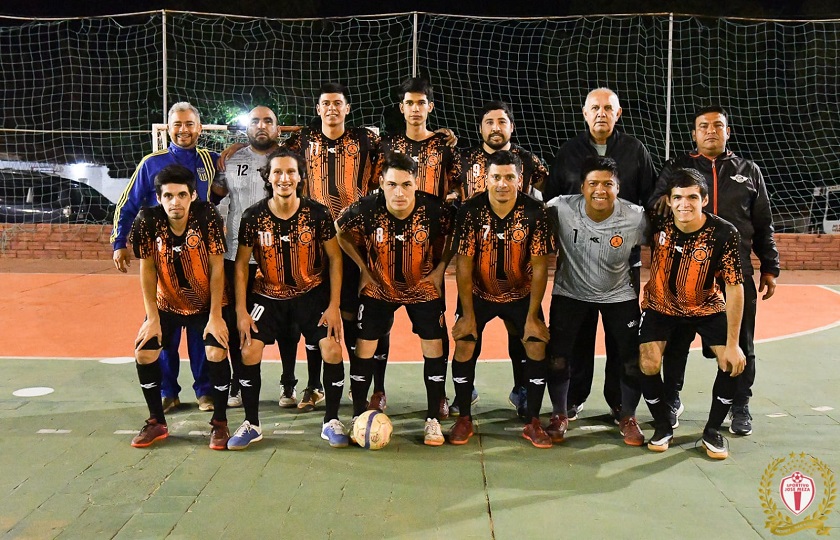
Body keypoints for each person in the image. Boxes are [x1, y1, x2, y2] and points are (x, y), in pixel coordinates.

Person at [652, 106, 779, 436]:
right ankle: (672, 399)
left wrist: (770, 266)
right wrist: (669, 203)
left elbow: (763, 222)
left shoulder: (748, 171)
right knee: (677, 341)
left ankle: (739, 404)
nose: (711, 130)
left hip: (735, 274)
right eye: (703, 126)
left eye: (717, 125)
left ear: (728, 132)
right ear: (693, 134)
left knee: (740, 341)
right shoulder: (677, 168)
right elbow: (655, 206)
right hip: (686, 273)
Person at [542, 88, 657, 422]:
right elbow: (551, 203)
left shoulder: (635, 151)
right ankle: (574, 398)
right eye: (596, 108)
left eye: (609, 108)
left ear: (618, 114)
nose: (602, 113)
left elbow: (651, 202)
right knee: (576, 337)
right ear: (585, 112)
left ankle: (618, 401)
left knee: (620, 341)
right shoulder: (568, 152)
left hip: (621, 263)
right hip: (576, 264)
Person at [336, 152, 454, 446]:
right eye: (392, 185)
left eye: (406, 184)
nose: (399, 192)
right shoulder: (367, 208)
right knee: (363, 348)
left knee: (435, 348)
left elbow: (458, 233)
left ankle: (433, 419)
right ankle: (360, 415)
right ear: (381, 183)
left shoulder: (435, 209)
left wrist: (441, 268)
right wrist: (363, 268)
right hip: (379, 285)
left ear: (416, 183)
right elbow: (340, 229)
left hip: (422, 286)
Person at [232, 148, 346, 450]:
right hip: (268, 295)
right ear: (268, 176)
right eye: (278, 172)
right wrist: (242, 310)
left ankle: (331, 420)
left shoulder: (318, 213)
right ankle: (251, 424)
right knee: (247, 351)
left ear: (300, 176)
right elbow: (242, 264)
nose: (284, 178)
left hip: (312, 294)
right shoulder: (253, 216)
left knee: (333, 349)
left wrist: (333, 306)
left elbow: (335, 259)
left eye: (290, 172)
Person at [112, 102, 220, 414]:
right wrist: (119, 242)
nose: (184, 130)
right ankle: (168, 391)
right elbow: (128, 203)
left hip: (199, 257)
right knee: (165, 331)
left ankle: (205, 391)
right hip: (162, 261)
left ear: (200, 128)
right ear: (168, 128)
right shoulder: (151, 163)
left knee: (201, 334)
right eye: (178, 124)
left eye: (190, 124)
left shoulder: (210, 161)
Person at [449, 150, 556, 448]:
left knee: (536, 345)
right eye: (496, 177)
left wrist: (534, 316)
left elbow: (538, 268)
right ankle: (464, 417)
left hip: (520, 294)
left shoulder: (535, 211)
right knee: (465, 342)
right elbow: (464, 265)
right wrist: (468, 314)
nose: (502, 183)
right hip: (479, 292)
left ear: (520, 180)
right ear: (486, 179)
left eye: (509, 177)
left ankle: (533, 420)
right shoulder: (470, 210)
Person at [639, 168, 745, 460]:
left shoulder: (724, 233)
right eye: (678, 197)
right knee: (648, 361)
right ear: (669, 201)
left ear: (705, 199)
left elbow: (734, 288)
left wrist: (735, 344)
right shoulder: (657, 221)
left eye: (692, 197)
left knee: (732, 362)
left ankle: (712, 431)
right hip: (660, 305)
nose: (684, 203)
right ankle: (662, 425)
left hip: (706, 306)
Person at [544, 156, 647, 447]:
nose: (600, 190)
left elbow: (663, 239)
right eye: (593, 183)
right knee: (559, 356)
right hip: (570, 292)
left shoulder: (636, 216)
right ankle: (559, 414)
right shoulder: (561, 207)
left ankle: (628, 416)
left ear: (618, 187)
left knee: (629, 359)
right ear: (582, 187)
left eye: (608, 184)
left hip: (618, 295)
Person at [373, 77, 462, 415]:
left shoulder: (443, 147)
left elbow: (458, 183)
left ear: (430, 107)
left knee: (434, 331)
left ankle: (438, 396)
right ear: (401, 108)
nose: (414, 109)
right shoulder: (387, 145)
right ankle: (378, 391)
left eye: (420, 103)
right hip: (386, 250)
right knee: (379, 326)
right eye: (408, 103)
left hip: (428, 254)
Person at [457, 100, 550, 418]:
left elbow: (545, 186)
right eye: (489, 122)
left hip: (517, 262)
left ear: (511, 126)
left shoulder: (527, 161)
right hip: (476, 252)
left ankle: (524, 392)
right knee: (467, 334)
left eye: (502, 121)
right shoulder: (464, 158)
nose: (496, 127)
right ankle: (463, 397)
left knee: (523, 333)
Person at [128, 164, 230, 449]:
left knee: (216, 349)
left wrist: (216, 315)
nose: (176, 202)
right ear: (159, 198)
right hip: (167, 303)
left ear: (193, 196)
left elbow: (217, 267)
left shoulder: (207, 216)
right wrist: (152, 318)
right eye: (169, 196)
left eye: (182, 195)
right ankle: (156, 422)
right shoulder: (147, 220)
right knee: (145, 352)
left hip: (205, 303)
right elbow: (147, 269)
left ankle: (220, 423)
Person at [211, 106, 305, 411]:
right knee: (239, 322)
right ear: (247, 128)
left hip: (280, 256)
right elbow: (214, 194)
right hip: (235, 254)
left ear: (278, 128)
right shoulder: (231, 159)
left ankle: (288, 382)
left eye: (268, 121)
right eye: (255, 121)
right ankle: (239, 381)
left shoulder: (287, 161)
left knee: (288, 324)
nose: (261, 126)